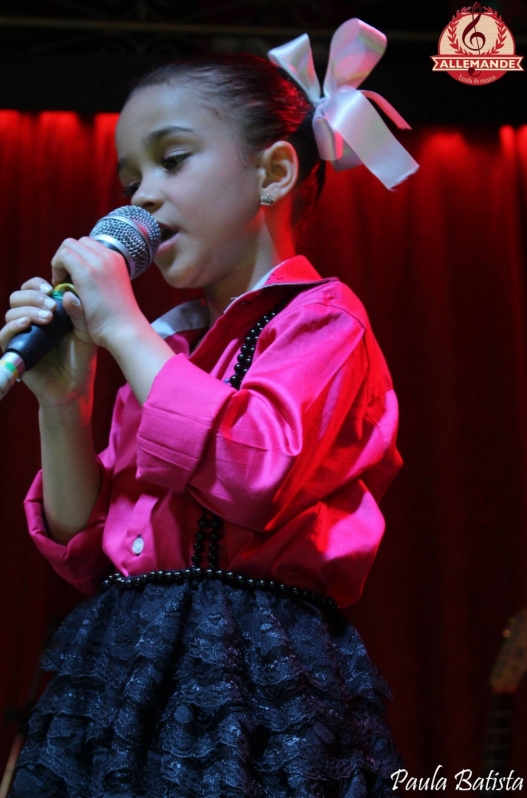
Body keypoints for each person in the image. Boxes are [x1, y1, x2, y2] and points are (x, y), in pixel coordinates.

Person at [3, 18, 417, 798]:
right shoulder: (164, 351)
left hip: (249, 667)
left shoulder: (322, 320)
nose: (143, 198)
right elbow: (88, 551)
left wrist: (123, 328)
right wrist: (63, 402)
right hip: (124, 661)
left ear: (273, 173)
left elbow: (255, 470)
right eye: (130, 181)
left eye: (173, 159)